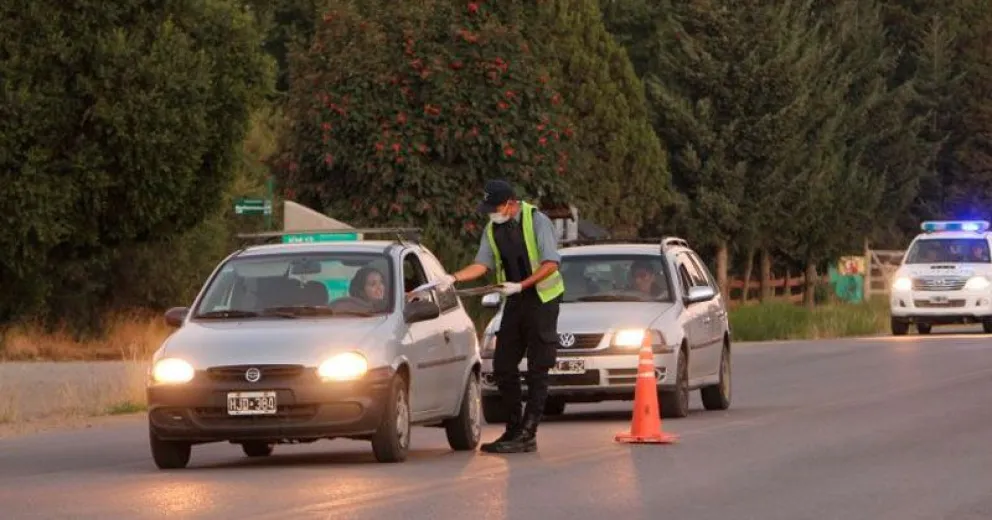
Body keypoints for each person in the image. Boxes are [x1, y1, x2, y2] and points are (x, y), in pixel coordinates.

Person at [440, 179, 565, 454]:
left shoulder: (537, 221)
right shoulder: (492, 229)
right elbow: (481, 264)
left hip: (542, 299)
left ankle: (529, 433)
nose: (490, 213)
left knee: (537, 369)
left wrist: (522, 285)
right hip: (514, 301)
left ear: (510, 203)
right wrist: (453, 278)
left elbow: (551, 263)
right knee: (503, 365)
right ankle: (513, 428)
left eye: (494, 207)